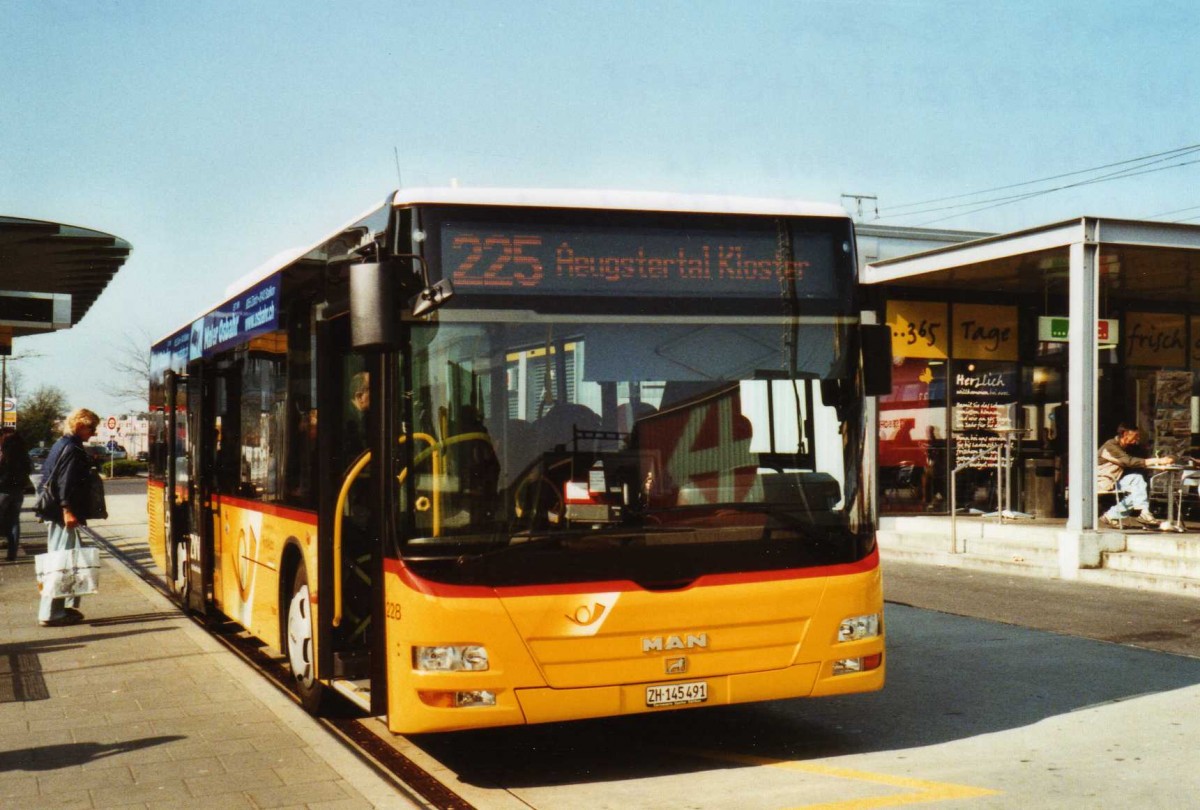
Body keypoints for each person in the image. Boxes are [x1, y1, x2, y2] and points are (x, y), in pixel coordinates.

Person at [38, 408, 101, 627]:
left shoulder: (61, 444)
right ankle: (51, 613)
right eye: (91, 428)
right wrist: (67, 510)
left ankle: (59, 608)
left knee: (65, 560)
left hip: (56, 512)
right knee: (60, 563)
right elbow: (65, 483)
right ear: (81, 425)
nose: (93, 433)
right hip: (62, 514)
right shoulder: (72, 449)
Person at [1097, 424, 1174, 529]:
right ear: (1125, 434)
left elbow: (1136, 461)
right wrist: (1159, 461)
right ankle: (1113, 515)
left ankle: (1143, 513)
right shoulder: (1110, 447)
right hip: (1102, 482)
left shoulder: (1125, 447)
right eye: (1136, 435)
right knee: (1138, 488)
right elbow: (1129, 462)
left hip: (1115, 480)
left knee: (1138, 483)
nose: (1138, 438)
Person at [0, 428, 32, 561]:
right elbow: (29, 469)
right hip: (18, 491)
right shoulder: (23, 453)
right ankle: (12, 554)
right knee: (14, 521)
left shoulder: (3, 452)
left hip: (2, 490)